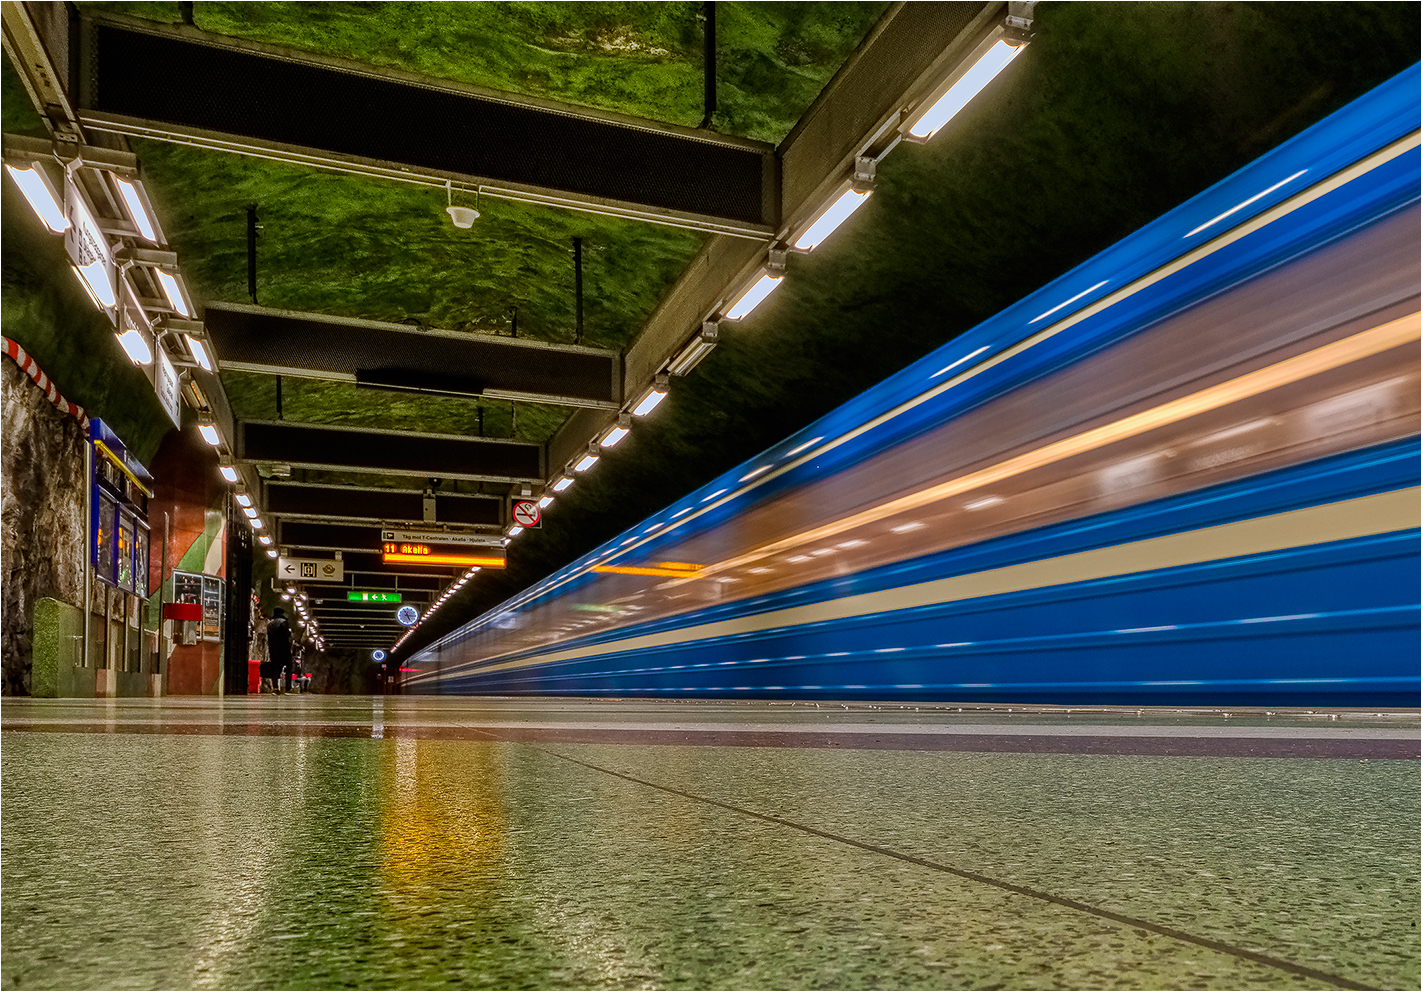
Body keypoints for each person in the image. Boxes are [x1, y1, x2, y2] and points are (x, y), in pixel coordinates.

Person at [264, 608, 292, 694]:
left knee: (276, 668)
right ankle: (288, 688)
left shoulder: (270, 624)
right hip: (284, 648)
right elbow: (287, 634)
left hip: (274, 649)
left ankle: (275, 687)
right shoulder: (283, 622)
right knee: (289, 667)